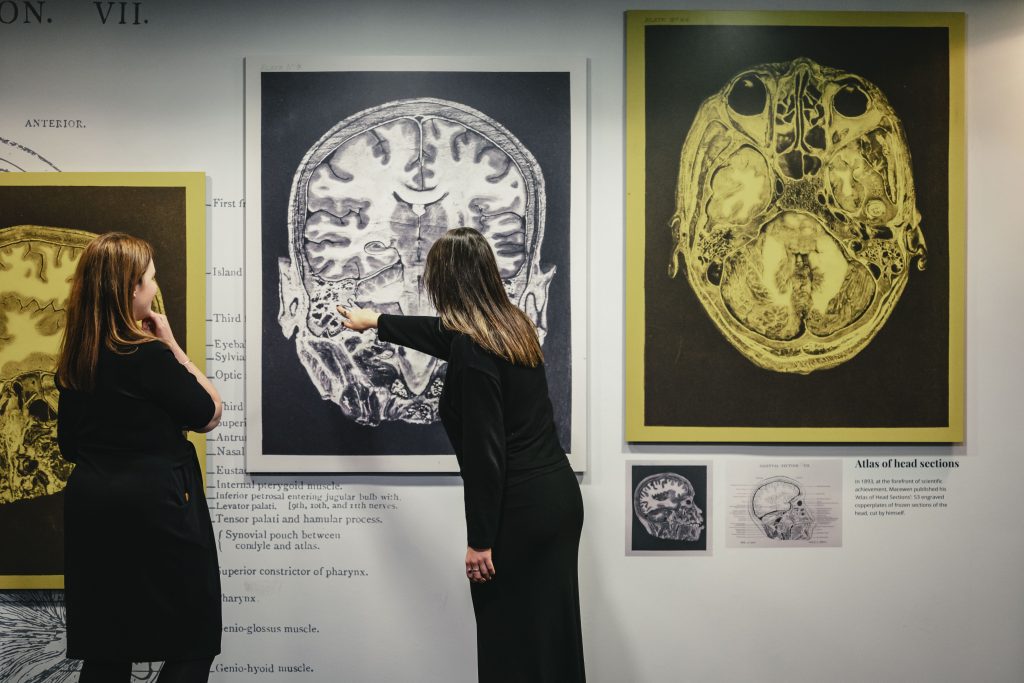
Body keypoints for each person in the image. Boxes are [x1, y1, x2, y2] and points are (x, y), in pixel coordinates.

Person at [338, 227, 585, 682]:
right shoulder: (511, 324)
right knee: (551, 635)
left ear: (444, 283)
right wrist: (377, 321)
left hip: (520, 510)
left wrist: (480, 540)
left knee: (508, 640)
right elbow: (445, 334)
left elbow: (485, 455)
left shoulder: (473, 351)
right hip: (557, 500)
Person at [55, 233, 223, 683]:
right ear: (130, 289)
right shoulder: (148, 356)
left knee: (109, 648)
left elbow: (69, 446)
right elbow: (209, 414)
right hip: (159, 505)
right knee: (193, 639)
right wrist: (172, 346)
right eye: (150, 278)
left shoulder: (76, 359)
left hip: (94, 508)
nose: (154, 286)